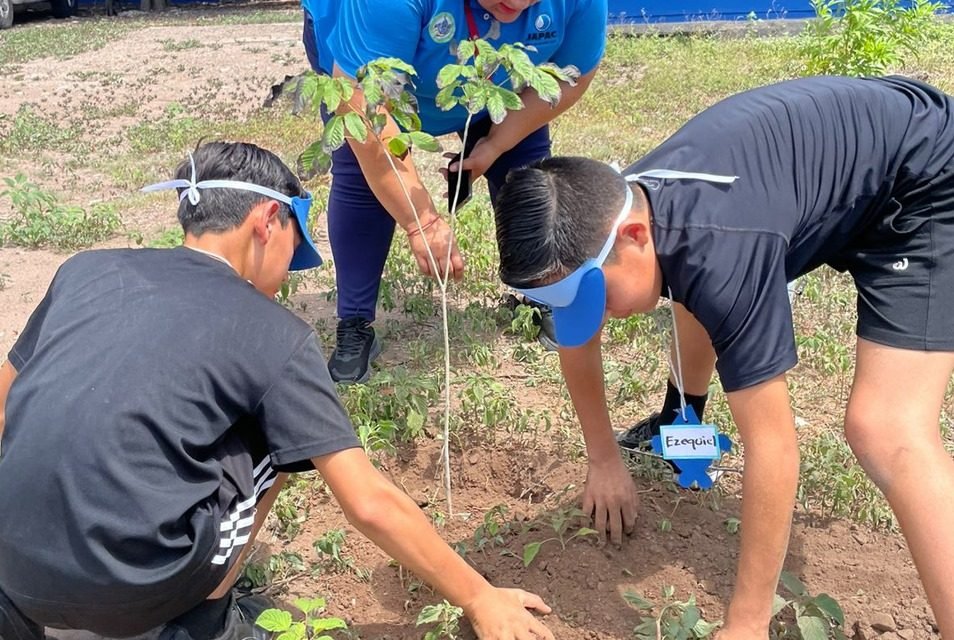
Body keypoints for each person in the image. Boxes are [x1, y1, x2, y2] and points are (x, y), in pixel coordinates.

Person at [0, 141, 555, 640]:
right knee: (284, 441)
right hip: (132, 595)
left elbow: (6, 399)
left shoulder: (87, 270)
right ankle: (203, 623)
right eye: (295, 248)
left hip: (11, 570)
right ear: (268, 220)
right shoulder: (273, 332)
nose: (289, 276)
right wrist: (480, 597)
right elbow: (366, 502)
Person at [491, 75, 954, 638]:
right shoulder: (607, 212)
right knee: (688, 284)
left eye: (594, 296)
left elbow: (774, 445)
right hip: (841, 156)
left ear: (634, 235)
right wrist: (603, 458)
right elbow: (579, 336)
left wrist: (747, 621)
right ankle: (684, 427)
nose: (594, 315)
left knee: (886, 428)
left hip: (921, 177)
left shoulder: (721, 251)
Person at [299, 0, 608, 383]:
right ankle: (355, 321)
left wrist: (497, 143)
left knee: (524, 160)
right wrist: (421, 221)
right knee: (360, 169)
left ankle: (536, 295)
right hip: (364, 51)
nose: (517, 3)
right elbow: (365, 114)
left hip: (488, 71)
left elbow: (570, 75)